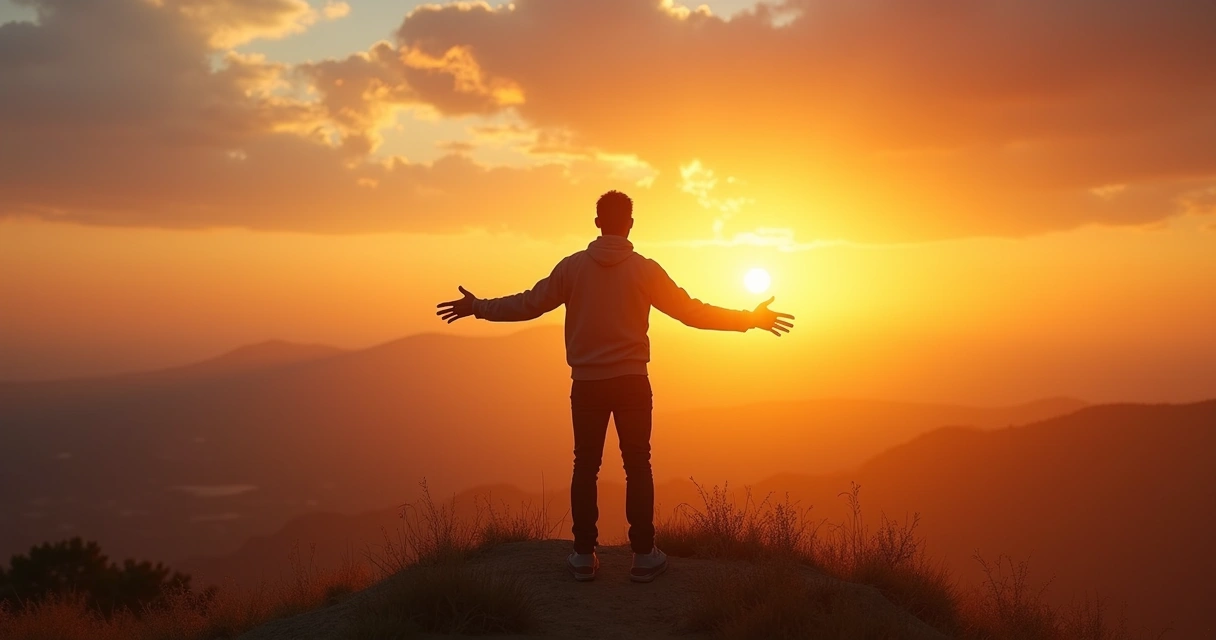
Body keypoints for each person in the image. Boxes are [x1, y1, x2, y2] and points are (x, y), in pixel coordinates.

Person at [435, 190, 794, 582]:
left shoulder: (572, 269)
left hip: (586, 384)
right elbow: (692, 312)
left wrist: (478, 307)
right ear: (630, 225)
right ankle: (643, 555)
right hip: (632, 383)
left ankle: (583, 556)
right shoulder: (644, 270)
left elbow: (529, 304)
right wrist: (748, 319)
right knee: (637, 464)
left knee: (585, 466)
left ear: (597, 223)